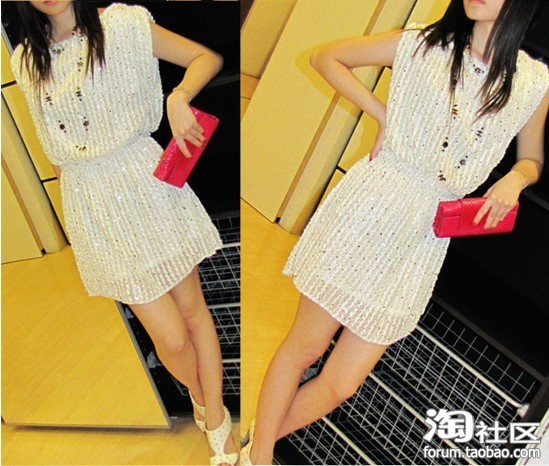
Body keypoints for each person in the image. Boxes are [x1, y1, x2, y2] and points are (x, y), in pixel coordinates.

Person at [240, 0, 548, 464]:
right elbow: (327, 57)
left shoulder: (533, 82)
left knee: (343, 384)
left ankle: (252, 444)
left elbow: (532, 159)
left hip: (425, 236)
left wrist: (516, 180)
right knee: (306, 346)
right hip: (373, 205)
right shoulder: (423, 44)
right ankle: (258, 456)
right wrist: (381, 114)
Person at [11, 2, 237, 465]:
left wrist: (178, 98)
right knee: (170, 339)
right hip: (91, 201)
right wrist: (77, 222)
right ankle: (202, 398)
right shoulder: (26, 59)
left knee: (193, 312)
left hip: (144, 181)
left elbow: (206, 58)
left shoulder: (121, 24)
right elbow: (53, 146)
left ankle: (216, 419)